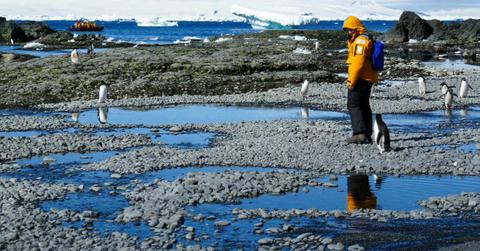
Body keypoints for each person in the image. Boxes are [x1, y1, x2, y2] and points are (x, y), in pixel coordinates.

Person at [342, 16, 379, 144]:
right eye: (347, 30)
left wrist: (351, 81)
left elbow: (358, 63)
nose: (348, 32)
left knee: (354, 105)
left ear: (356, 28)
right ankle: (367, 134)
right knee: (364, 105)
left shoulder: (360, 41)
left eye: (350, 29)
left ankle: (359, 134)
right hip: (368, 77)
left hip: (361, 78)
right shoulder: (364, 38)